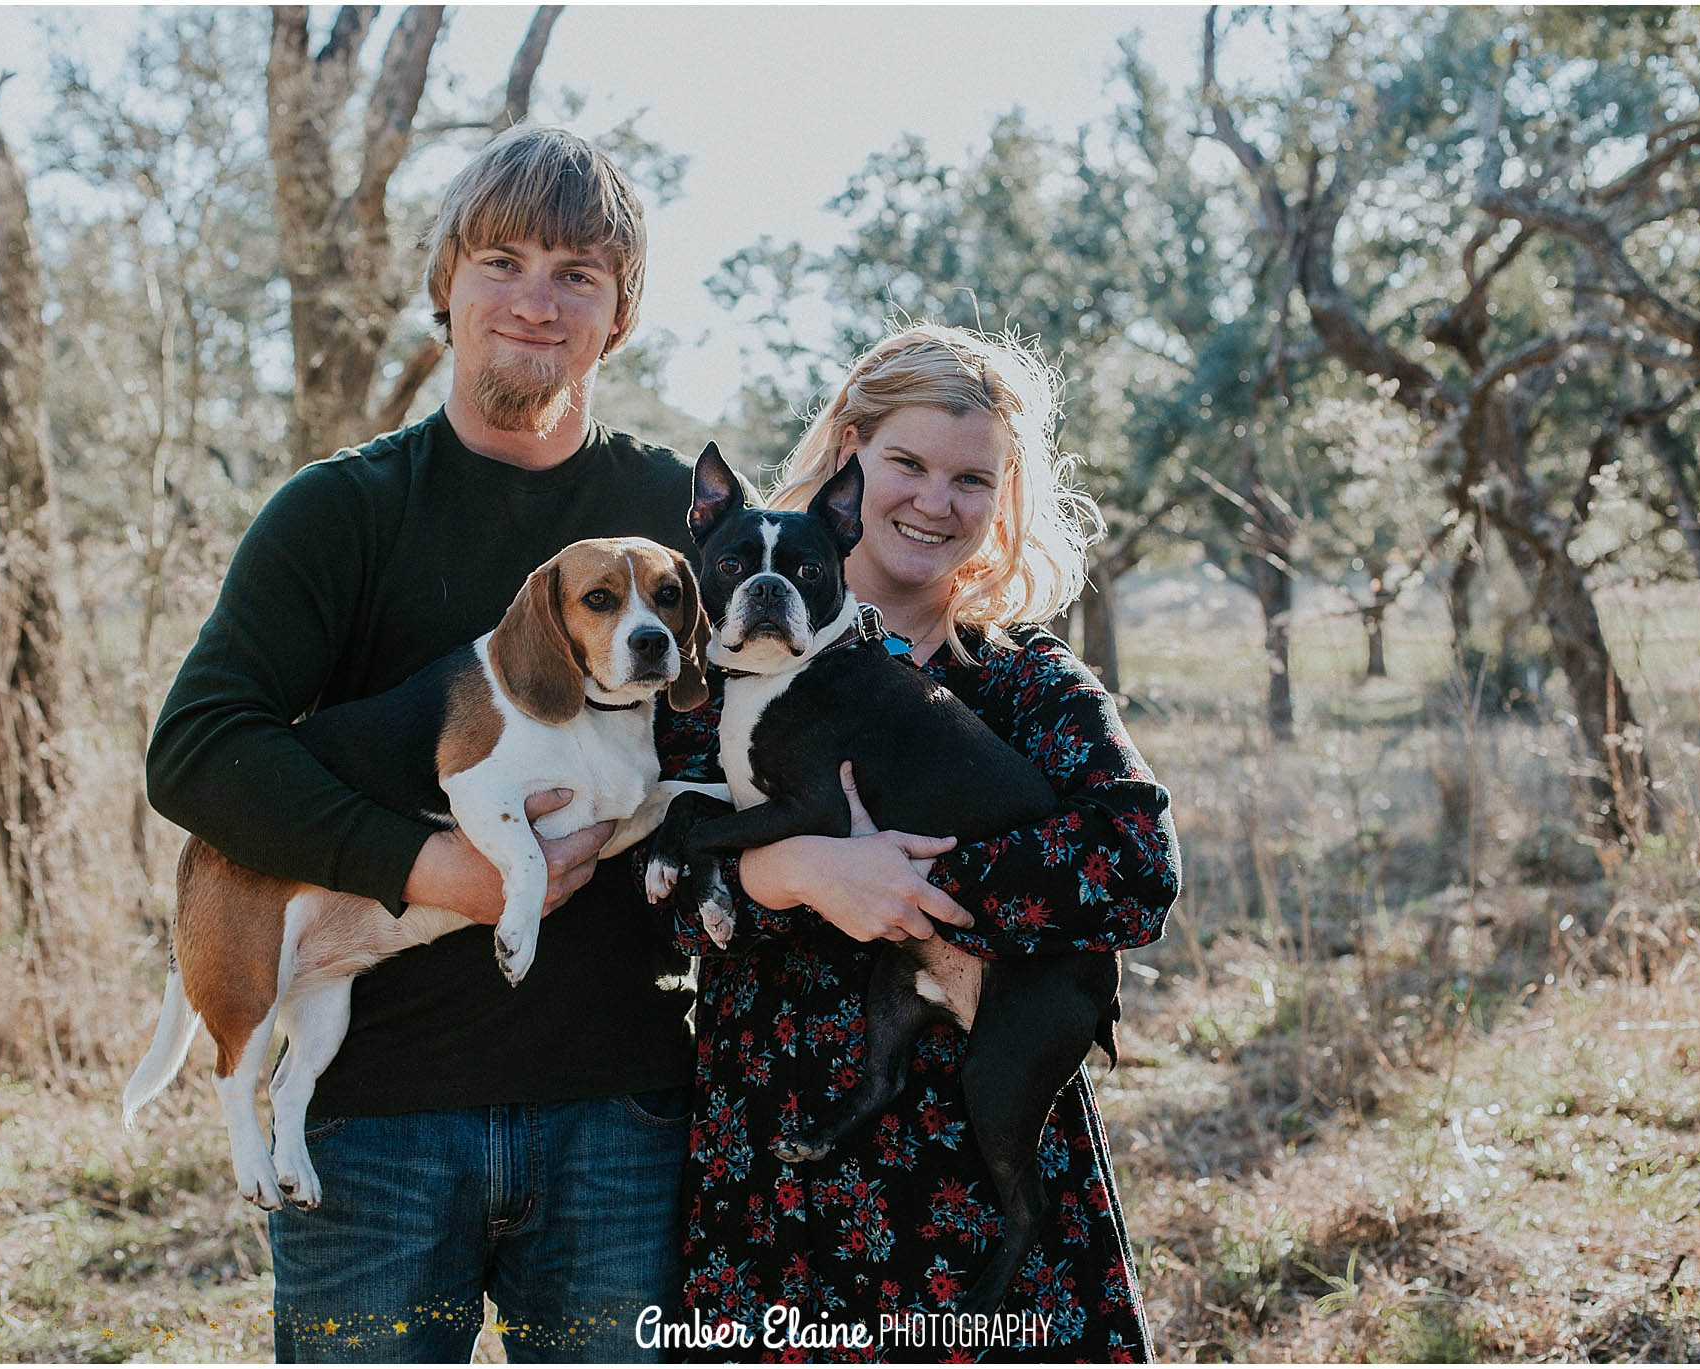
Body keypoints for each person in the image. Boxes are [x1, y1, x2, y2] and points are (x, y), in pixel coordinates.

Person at [144, 125, 699, 1363]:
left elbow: (771, 710)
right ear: (443, 278)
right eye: (501, 260)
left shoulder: (672, 523)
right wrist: (427, 867)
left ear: (620, 313)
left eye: (578, 275)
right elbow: (197, 751)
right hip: (372, 1123)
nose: (534, 302)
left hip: (623, 1112)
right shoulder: (338, 512)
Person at [651, 323, 1181, 1361]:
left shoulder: (1024, 683)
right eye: (905, 463)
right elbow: (660, 889)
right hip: (781, 1152)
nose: (933, 501)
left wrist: (908, 878)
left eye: (969, 478)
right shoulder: (716, 674)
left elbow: (1134, 869)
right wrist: (795, 866)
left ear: (1001, 497)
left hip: (983, 1159)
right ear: (849, 460)